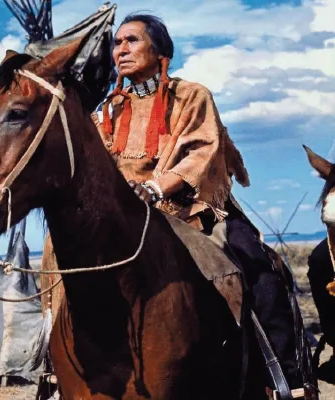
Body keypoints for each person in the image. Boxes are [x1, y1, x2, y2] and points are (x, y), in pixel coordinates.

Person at [91, 13, 306, 393]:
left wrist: (156, 189)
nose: (121, 49)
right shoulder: (108, 111)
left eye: (132, 40)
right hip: (127, 220)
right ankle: (55, 369)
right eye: (117, 43)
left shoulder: (191, 96)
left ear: (160, 51)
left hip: (192, 210)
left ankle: (285, 379)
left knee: (258, 268)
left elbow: (203, 151)